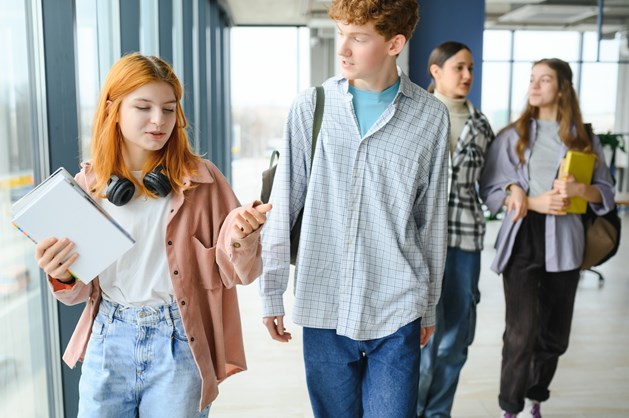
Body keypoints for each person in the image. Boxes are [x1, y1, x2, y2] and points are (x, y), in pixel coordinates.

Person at [34, 52, 270, 418]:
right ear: (113, 109)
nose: (159, 121)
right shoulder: (87, 187)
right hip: (108, 339)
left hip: (178, 343)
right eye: (143, 107)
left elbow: (240, 271)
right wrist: (62, 274)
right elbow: (78, 293)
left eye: (169, 109)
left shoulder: (203, 181)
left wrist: (242, 237)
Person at [258, 0, 450, 417]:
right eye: (340, 34)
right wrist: (271, 292)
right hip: (324, 303)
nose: (342, 49)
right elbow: (283, 202)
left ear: (395, 43)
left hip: (397, 306)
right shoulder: (311, 107)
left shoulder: (431, 117)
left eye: (359, 38)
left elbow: (432, 220)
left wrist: (430, 304)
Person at [479, 58, 616, 418]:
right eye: (531, 80)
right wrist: (515, 190)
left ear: (562, 88)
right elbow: (490, 190)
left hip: (567, 241)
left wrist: (581, 189)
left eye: (544, 80)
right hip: (523, 237)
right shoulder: (512, 136)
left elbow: (606, 193)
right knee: (521, 332)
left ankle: (535, 399)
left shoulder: (583, 140)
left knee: (555, 335)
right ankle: (511, 407)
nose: (534, 86)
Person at [417, 41, 494, 418]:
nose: (467, 76)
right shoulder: (413, 115)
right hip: (417, 241)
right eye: (459, 68)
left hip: (464, 241)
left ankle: (437, 413)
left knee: (457, 338)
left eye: (471, 69)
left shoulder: (481, 125)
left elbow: (494, 181)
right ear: (436, 71)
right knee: (421, 337)